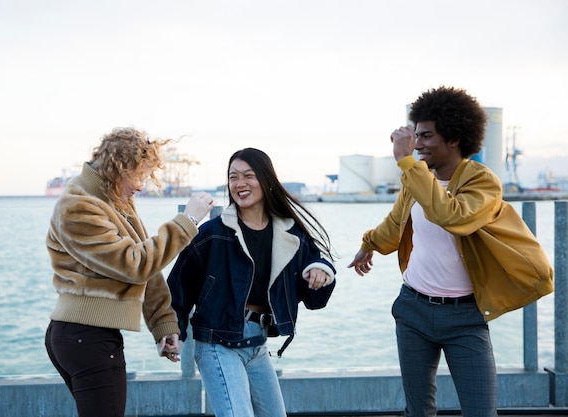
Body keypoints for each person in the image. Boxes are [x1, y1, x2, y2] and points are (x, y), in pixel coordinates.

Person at [348, 86, 553, 417]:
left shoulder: (483, 182)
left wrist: (404, 163)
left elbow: (451, 216)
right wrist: (369, 244)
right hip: (413, 310)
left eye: (427, 136)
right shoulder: (418, 178)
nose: (417, 145)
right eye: (415, 136)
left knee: (481, 412)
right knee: (419, 411)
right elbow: (396, 223)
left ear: (455, 138)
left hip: (465, 318)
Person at [44, 127, 215, 417]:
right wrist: (188, 220)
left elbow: (148, 268)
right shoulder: (78, 206)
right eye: (140, 175)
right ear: (119, 167)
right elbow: (134, 264)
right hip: (84, 337)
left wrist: (163, 325)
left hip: (92, 337)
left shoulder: (115, 201)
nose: (142, 185)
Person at [167, 147, 337, 417]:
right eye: (233, 177)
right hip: (217, 344)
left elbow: (315, 297)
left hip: (258, 346)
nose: (239, 183)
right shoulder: (212, 234)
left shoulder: (289, 233)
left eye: (248, 175)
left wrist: (321, 272)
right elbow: (177, 287)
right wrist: (171, 331)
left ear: (266, 179)